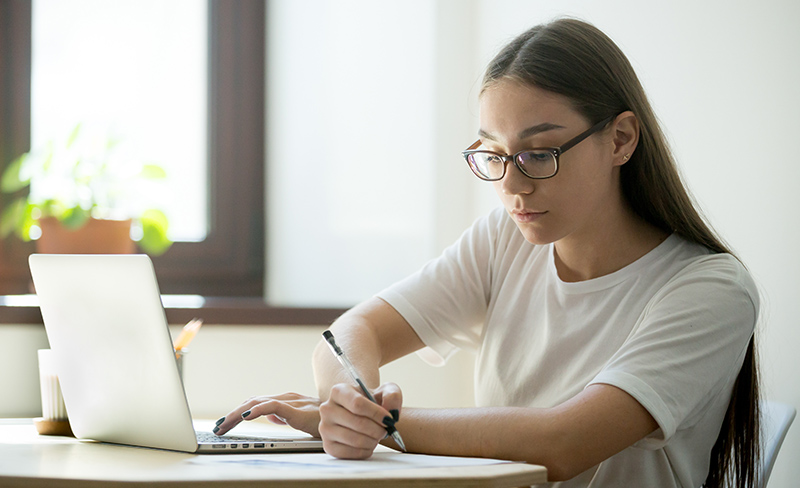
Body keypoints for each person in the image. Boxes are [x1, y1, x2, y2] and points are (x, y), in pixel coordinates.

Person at [215, 18, 760, 488]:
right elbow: (355, 332)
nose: (514, 186)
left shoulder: (709, 289)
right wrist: (346, 404)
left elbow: (564, 442)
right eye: (494, 155)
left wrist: (381, 423)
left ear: (620, 139)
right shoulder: (506, 239)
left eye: (539, 154)